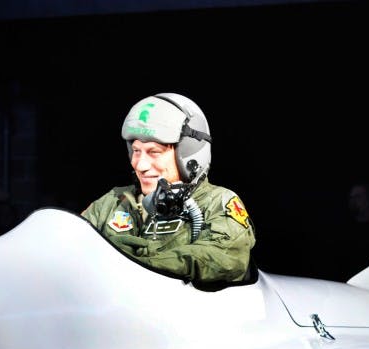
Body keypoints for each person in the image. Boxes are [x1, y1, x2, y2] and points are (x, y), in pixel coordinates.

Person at [81, 93, 255, 284]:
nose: (140, 165)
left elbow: (224, 259)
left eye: (154, 152)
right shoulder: (113, 202)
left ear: (188, 155)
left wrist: (132, 265)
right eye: (136, 151)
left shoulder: (216, 202)